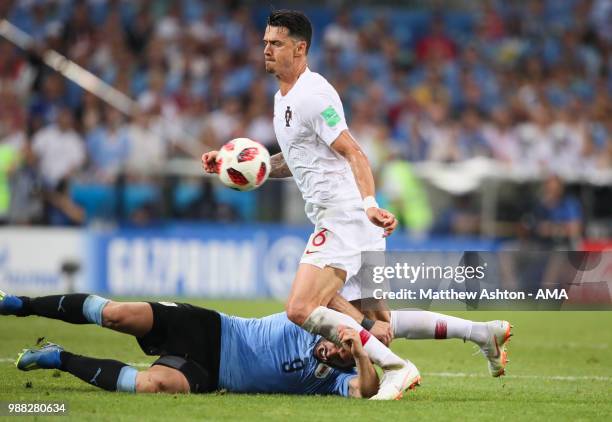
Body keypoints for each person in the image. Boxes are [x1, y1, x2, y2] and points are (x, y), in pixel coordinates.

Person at [202, 10, 414, 400]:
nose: (266, 49)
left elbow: (353, 151)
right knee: (378, 322)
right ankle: (473, 338)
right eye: (265, 41)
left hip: (344, 219)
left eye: (276, 43)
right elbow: (295, 161)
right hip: (347, 221)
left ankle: (399, 368)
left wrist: (369, 203)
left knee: (300, 308)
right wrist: (246, 167)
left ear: (300, 49)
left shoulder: (313, 95)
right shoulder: (282, 97)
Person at [0, 290, 384, 398]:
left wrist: (362, 355)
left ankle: (59, 357)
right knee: (116, 314)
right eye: (338, 342)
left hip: (212, 374)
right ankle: (21, 305)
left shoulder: (334, 380)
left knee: (152, 386)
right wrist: (361, 324)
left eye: (342, 353)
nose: (334, 348)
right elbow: (328, 294)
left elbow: (367, 390)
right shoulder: (312, 320)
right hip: (212, 329)